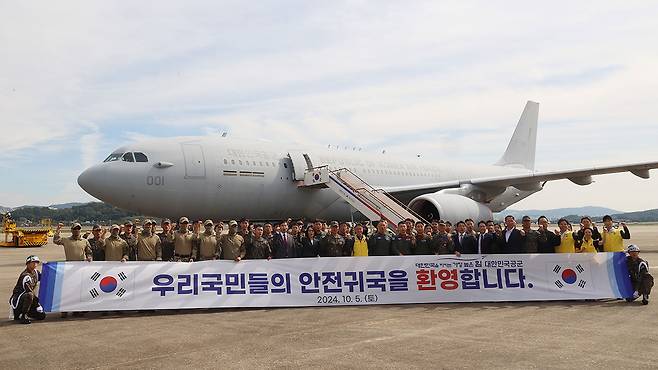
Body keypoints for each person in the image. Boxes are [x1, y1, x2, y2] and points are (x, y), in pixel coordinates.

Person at [9, 255, 46, 324]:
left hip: (29, 301)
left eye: (36, 263)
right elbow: (29, 291)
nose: (35, 264)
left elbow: (44, 277)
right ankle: (23, 315)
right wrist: (38, 305)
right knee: (29, 295)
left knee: (42, 316)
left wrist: (48, 268)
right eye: (33, 263)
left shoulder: (35, 272)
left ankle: (28, 313)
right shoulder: (25, 276)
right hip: (19, 301)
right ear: (28, 264)